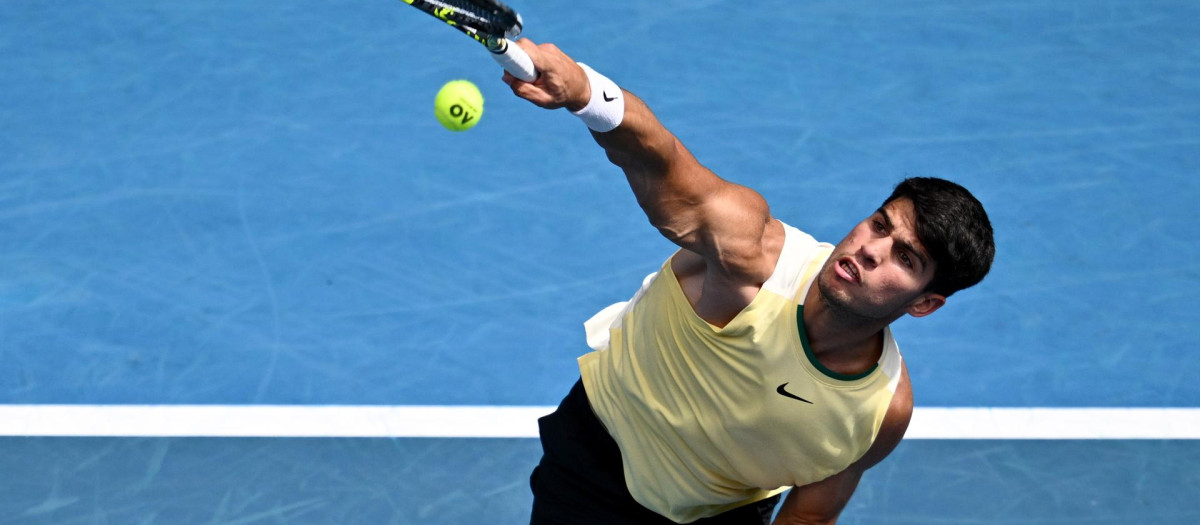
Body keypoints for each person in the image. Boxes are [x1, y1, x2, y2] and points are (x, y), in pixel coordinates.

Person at [501, 38, 995, 525]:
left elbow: (812, 512)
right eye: (880, 224)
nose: (870, 248)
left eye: (903, 257)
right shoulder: (754, 257)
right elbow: (661, 161)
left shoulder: (881, 409)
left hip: (719, 515)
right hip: (597, 463)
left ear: (925, 303)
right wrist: (586, 92)